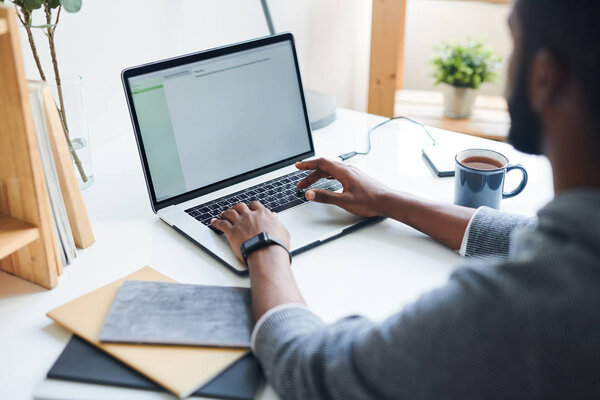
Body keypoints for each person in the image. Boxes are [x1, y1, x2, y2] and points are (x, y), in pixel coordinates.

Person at [211, 0, 600, 398]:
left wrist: (265, 247)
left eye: (514, 41)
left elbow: (317, 373)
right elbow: (528, 235)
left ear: (545, 77)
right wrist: (391, 201)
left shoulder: (520, 308)